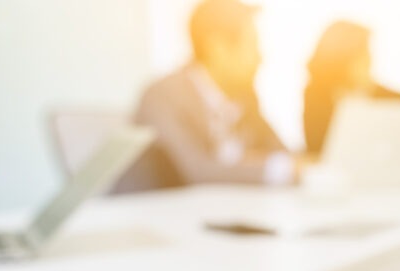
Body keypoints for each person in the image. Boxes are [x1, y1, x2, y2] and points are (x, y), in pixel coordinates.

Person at [123, 0, 296, 190]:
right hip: (150, 214)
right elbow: (198, 171)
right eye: (252, 46)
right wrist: (277, 169)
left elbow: (284, 155)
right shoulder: (161, 97)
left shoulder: (243, 97)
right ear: (217, 48)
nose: (260, 57)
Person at [303, 21, 400, 155]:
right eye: (363, 52)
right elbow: (316, 147)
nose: (370, 58)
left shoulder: (391, 97)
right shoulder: (316, 96)